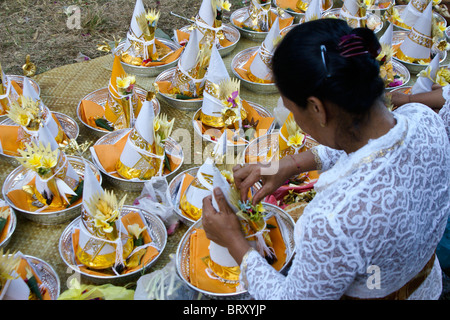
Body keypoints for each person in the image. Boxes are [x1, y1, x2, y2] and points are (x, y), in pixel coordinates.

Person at [201, 18, 450, 300]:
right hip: (428, 287)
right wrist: (288, 165)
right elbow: (370, 146)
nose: (295, 119)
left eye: (292, 110)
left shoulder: (333, 219)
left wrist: (233, 241)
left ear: (317, 109)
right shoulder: (426, 121)